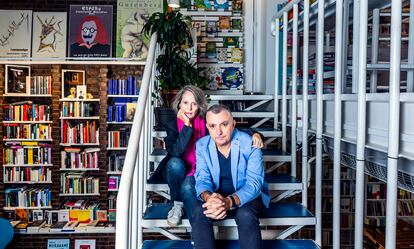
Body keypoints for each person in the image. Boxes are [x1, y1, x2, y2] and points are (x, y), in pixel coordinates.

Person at [150, 86, 263, 227]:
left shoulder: (206, 121)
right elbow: (176, 151)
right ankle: (177, 205)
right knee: (174, 163)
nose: (189, 108)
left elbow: (228, 129)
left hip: (200, 169)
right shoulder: (172, 123)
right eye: (185, 103)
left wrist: (254, 134)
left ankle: (197, 232)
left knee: (187, 187)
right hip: (178, 170)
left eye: (194, 103)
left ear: (200, 105)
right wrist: (187, 126)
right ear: (179, 104)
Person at [192, 104, 270, 249]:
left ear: (233, 124)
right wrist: (210, 199)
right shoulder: (202, 145)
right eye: (213, 126)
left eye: (224, 124)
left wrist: (228, 202)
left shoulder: (250, 144)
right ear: (207, 127)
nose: (219, 131)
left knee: (245, 214)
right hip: (217, 195)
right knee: (199, 211)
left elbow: (254, 185)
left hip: (246, 196)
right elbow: (202, 179)